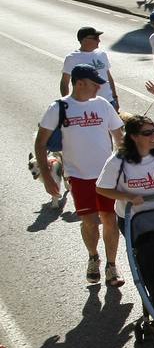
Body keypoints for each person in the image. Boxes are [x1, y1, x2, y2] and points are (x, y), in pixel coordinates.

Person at [34, 64, 124, 286]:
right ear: (80, 83)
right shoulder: (59, 107)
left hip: (107, 175)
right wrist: (47, 178)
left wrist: (126, 165)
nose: (98, 88)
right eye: (95, 84)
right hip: (79, 176)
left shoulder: (102, 104)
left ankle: (112, 266)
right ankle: (93, 256)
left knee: (110, 219)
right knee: (90, 221)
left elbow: (119, 136)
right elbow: (41, 143)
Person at [95, 113, 154, 221]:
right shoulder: (118, 160)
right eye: (147, 133)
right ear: (134, 137)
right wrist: (128, 197)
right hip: (133, 218)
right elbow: (102, 188)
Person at [61, 26, 119, 104]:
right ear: (84, 40)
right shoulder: (72, 58)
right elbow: (65, 82)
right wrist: (67, 103)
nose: (99, 40)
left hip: (108, 101)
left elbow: (109, 77)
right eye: (95, 38)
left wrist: (115, 98)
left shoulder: (102, 54)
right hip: (87, 104)